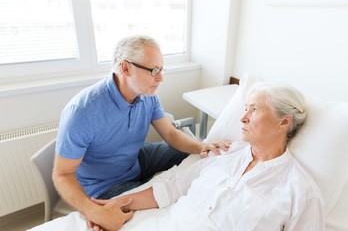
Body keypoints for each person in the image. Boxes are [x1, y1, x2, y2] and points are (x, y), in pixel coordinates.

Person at [52, 35, 230, 231]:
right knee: (164, 202)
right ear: (126, 68)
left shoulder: (147, 95)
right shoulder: (83, 111)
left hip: (135, 159)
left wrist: (200, 146)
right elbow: (62, 174)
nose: (160, 78)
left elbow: (170, 134)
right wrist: (95, 212)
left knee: (196, 153)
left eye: (161, 70)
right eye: (154, 71)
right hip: (105, 185)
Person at [91, 82, 325, 231]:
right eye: (245, 108)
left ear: (284, 122)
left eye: (254, 110)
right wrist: (113, 205)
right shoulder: (224, 152)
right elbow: (174, 189)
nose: (242, 118)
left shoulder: (300, 193)